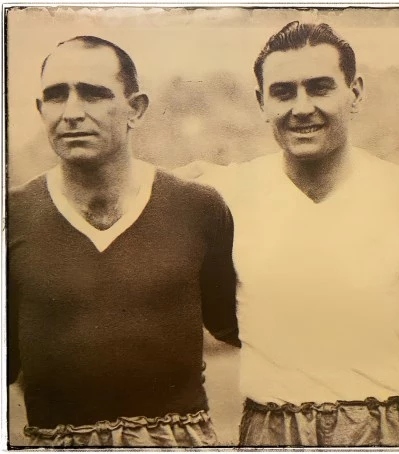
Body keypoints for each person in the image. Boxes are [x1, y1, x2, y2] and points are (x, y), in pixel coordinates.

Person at [176, 22, 399, 446]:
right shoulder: (223, 194)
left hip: (386, 429)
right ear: (261, 102)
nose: (302, 107)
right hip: (269, 430)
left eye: (320, 87)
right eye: (283, 92)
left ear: (355, 93)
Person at [8, 36, 239, 447]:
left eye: (93, 94)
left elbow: (242, 326)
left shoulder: (197, 206)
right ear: (40, 109)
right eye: (56, 95)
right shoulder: (14, 215)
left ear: (136, 108)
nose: (71, 113)